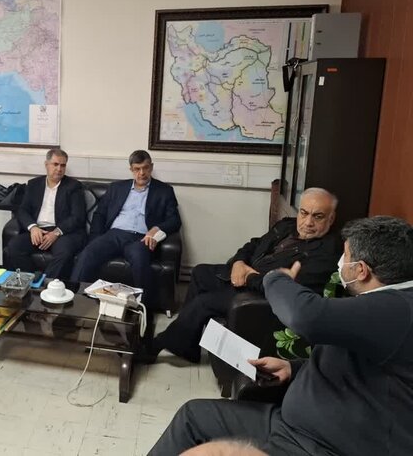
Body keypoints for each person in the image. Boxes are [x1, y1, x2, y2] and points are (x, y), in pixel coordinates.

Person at [149, 215, 413, 455]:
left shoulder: (399, 309)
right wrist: (293, 368)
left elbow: (306, 316)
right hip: (292, 425)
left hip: (322, 445)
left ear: (361, 270)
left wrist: (275, 278)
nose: (340, 263)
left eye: (346, 256)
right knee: (192, 417)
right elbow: (359, 362)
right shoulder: (382, 305)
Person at [140, 187, 339, 364]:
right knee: (200, 272)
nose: (308, 222)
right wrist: (239, 263)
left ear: (331, 219)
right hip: (247, 276)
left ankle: (158, 344)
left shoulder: (328, 252)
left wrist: (249, 276)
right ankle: (187, 344)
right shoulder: (287, 225)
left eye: (318, 216)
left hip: (263, 296)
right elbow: (253, 244)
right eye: (304, 213)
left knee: (203, 302)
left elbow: (287, 288)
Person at [70, 150, 181, 316]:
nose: (141, 173)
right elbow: (100, 214)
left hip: (141, 238)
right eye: (137, 169)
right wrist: (96, 239)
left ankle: (143, 310)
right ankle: (74, 300)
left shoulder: (164, 190)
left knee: (140, 258)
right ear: (131, 169)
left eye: (145, 168)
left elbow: (175, 220)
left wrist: (156, 229)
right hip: (114, 235)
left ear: (151, 167)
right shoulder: (117, 188)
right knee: (88, 253)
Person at [4, 148, 87, 279]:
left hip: (62, 233)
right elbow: (23, 210)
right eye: (55, 164)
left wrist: (56, 232)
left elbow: (77, 217)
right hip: (38, 230)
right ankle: (31, 279)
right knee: (14, 246)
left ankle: (45, 284)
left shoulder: (73, 186)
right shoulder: (34, 184)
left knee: (64, 253)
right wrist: (33, 227)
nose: (59, 169)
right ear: (46, 164)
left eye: (63, 165)